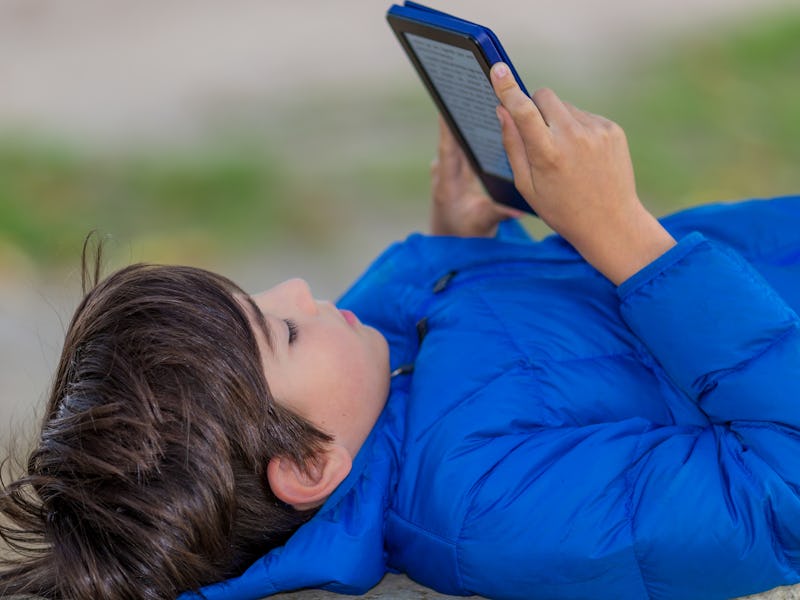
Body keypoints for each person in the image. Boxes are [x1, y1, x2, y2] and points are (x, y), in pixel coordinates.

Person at [2, 63, 800, 600]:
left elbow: (496, 351)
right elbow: (781, 490)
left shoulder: (371, 385)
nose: (301, 289)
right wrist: (622, 233)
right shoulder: (484, 507)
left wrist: (461, 236)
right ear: (311, 466)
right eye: (282, 331)